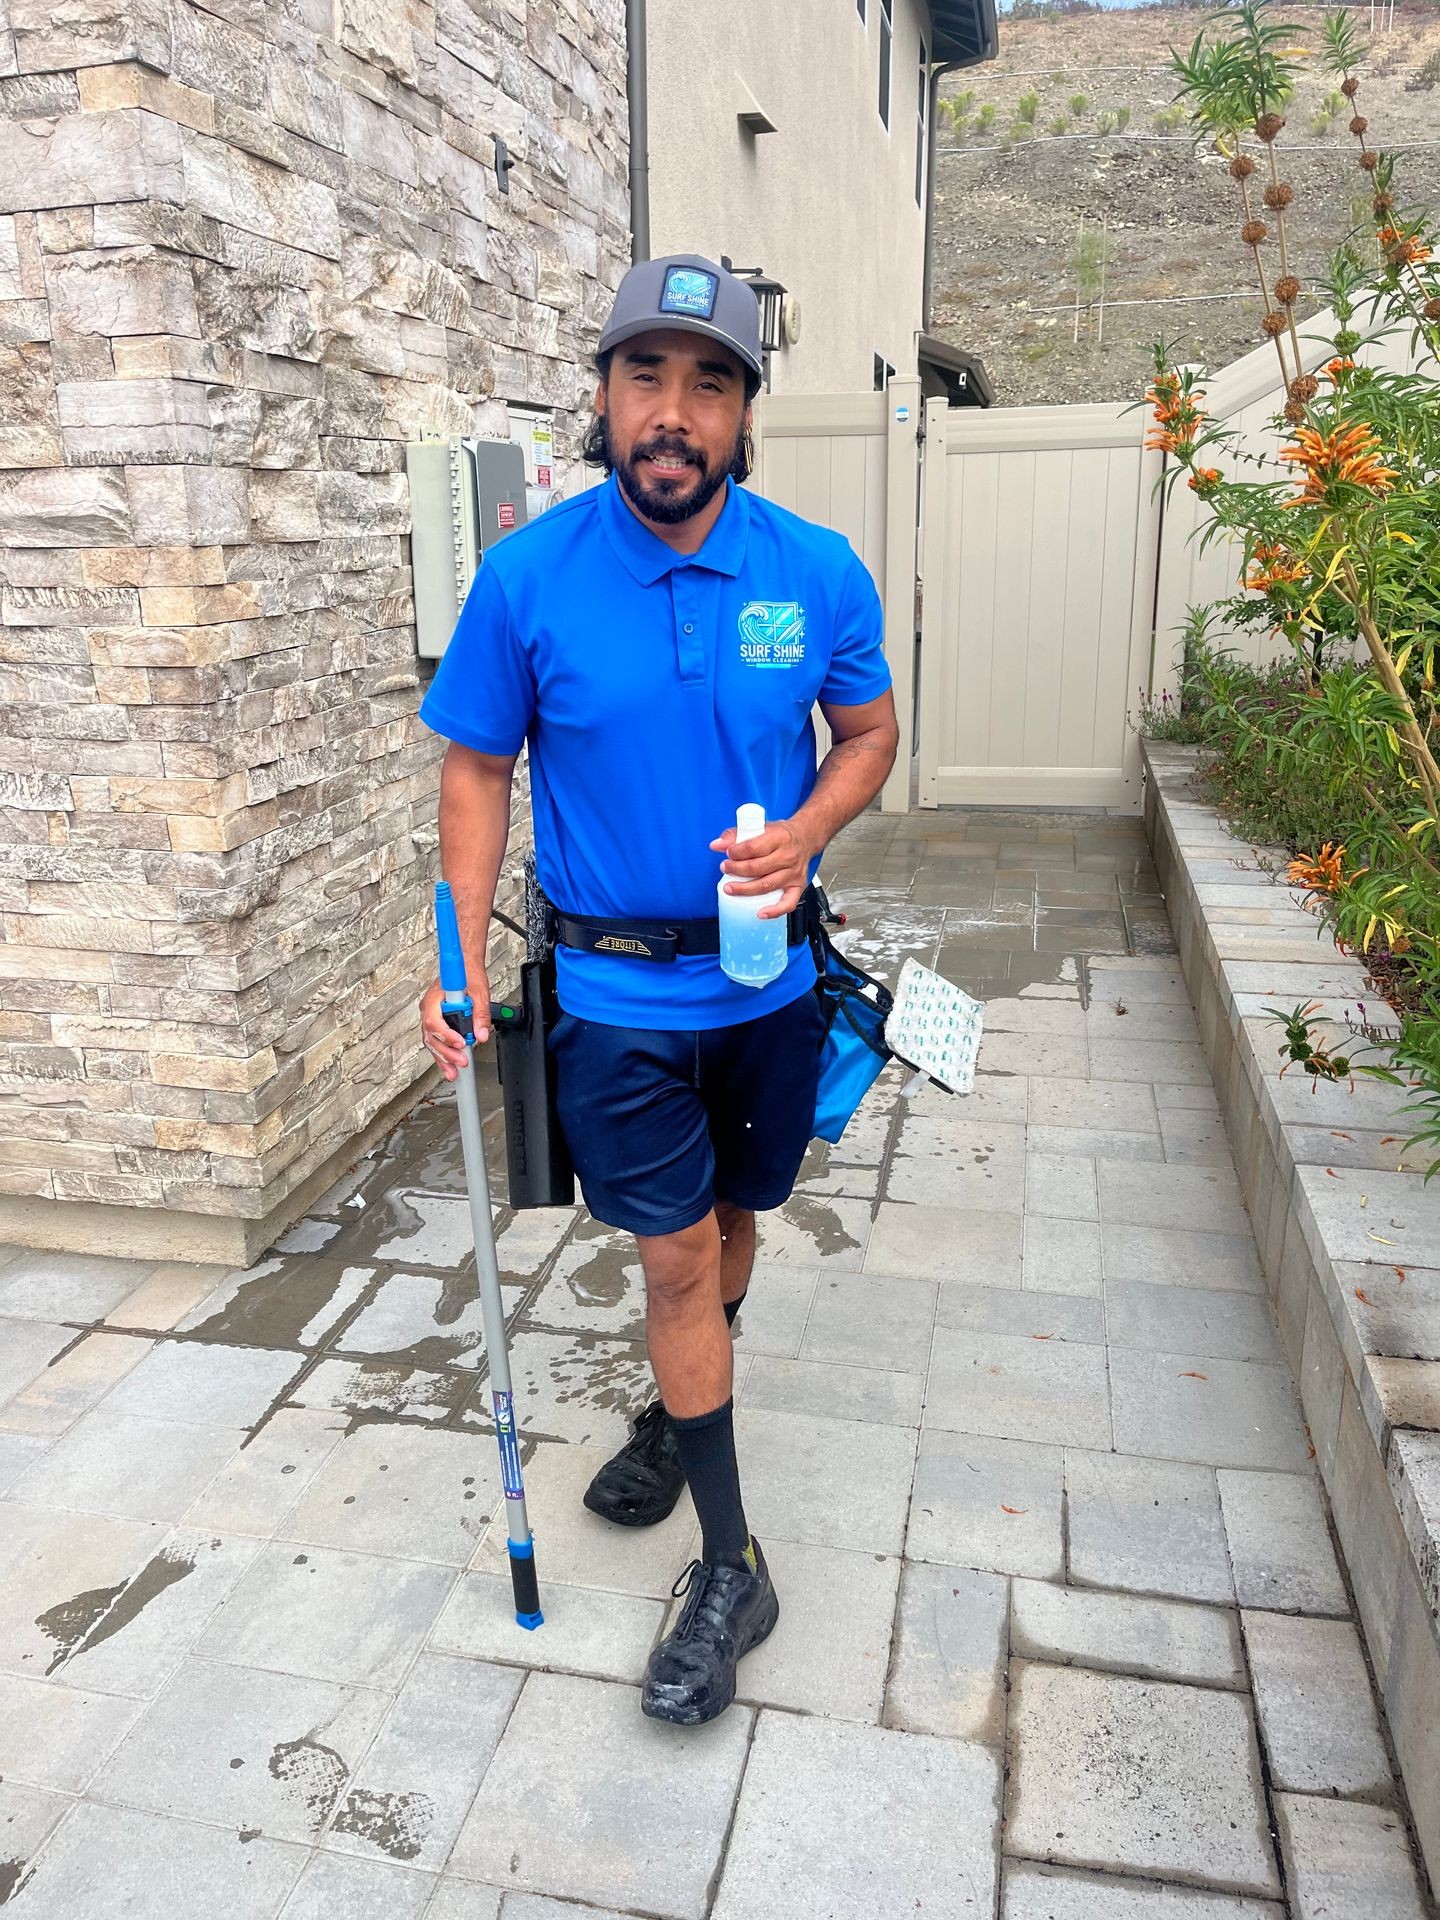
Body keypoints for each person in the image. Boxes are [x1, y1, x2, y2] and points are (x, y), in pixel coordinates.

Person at [417, 253, 899, 1724]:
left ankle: (671, 1404)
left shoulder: (814, 570)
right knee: (677, 1257)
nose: (673, 413)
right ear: (605, 395)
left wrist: (809, 833)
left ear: (745, 410)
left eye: (710, 381)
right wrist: (455, 967)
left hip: (768, 989)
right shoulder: (529, 579)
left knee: (736, 1226)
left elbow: (868, 733)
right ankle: (733, 1562)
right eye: (647, 376)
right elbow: (476, 765)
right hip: (615, 999)